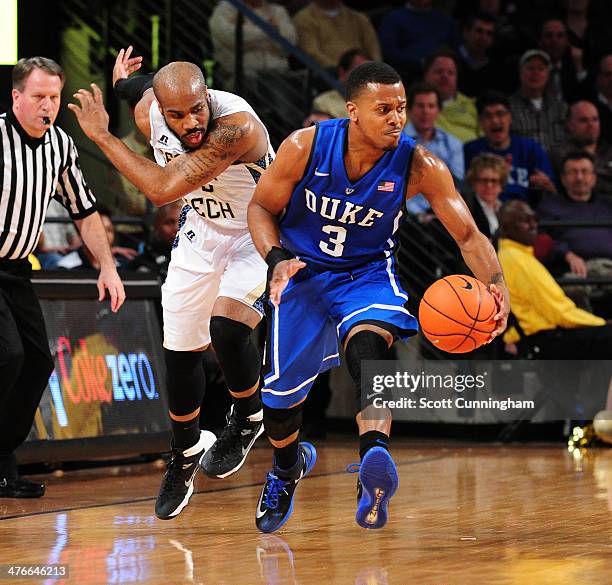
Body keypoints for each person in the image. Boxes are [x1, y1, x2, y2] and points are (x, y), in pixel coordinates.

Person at [247, 61, 509, 533]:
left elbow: (468, 235)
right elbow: (262, 206)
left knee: (370, 347)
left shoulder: (419, 165)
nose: (396, 118)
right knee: (280, 405)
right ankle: (286, 468)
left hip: (366, 275)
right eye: (383, 108)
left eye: (402, 108)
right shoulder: (304, 146)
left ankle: (374, 455)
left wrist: (498, 285)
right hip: (302, 274)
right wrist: (275, 258)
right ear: (352, 110)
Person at [69, 48, 274, 519]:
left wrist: (100, 135)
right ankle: (183, 453)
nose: (190, 121)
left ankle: (247, 418)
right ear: (160, 110)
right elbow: (138, 90)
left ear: (208, 96)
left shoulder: (236, 126)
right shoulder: (150, 111)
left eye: (197, 108)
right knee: (180, 351)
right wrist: (121, 80)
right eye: (177, 114)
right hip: (201, 230)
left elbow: (162, 189)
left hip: (255, 230)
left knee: (227, 327)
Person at [0, 57, 125, 498]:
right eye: (38, 97)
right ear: (16, 97)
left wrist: (108, 267)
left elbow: (85, 212)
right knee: (9, 356)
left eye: (54, 97)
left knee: (38, 363)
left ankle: (3, 458)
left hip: (15, 271)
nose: (47, 106)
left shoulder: (60, 146)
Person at [498, 199, 612, 359]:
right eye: (525, 221)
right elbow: (559, 312)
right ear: (506, 228)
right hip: (543, 339)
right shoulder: (517, 260)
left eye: (534, 219)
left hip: (543, 335)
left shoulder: (514, 256)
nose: (533, 226)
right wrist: (600, 323)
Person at [464, 91, 556, 205]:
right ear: (480, 121)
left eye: (500, 114)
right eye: (488, 116)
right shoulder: (470, 150)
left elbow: (553, 191)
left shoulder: (531, 148)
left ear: (510, 117)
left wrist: (546, 185)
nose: (495, 121)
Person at [537, 152, 612, 278]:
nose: (579, 177)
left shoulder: (608, 205)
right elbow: (541, 238)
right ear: (563, 178)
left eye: (585, 171)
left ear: (594, 178)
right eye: (573, 172)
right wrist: (567, 254)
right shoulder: (548, 206)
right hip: (570, 272)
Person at [403, 81, 464, 214]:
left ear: (438, 110)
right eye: (420, 106)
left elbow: (456, 185)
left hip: (441, 215)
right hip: (405, 215)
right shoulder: (395, 142)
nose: (425, 111)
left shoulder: (453, 144)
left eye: (431, 106)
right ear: (409, 109)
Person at [293, 0, 381, 71]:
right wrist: (341, 70)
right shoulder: (304, 19)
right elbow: (312, 53)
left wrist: (376, 68)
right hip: (329, 78)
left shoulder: (359, 18)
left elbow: (374, 49)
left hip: (366, 73)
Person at [509, 50, 567, 152]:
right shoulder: (508, 107)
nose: (535, 73)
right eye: (530, 68)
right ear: (521, 73)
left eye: (540, 69)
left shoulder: (560, 108)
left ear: (548, 74)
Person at [549, 100, 612, 195]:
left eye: (595, 119)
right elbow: (584, 185)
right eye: (584, 120)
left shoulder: (609, 150)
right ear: (569, 125)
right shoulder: (560, 153)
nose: (591, 125)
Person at [423, 50, 480, 143]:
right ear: (426, 75)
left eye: (450, 73)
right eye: (439, 71)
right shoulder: (408, 106)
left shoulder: (474, 105)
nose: (445, 76)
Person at [463, 152, 508, 239]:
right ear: (474, 182)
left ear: (501, 184)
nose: (489, 185)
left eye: (494, 180)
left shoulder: (506, 209)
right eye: (484, 180)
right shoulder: (466, 209)